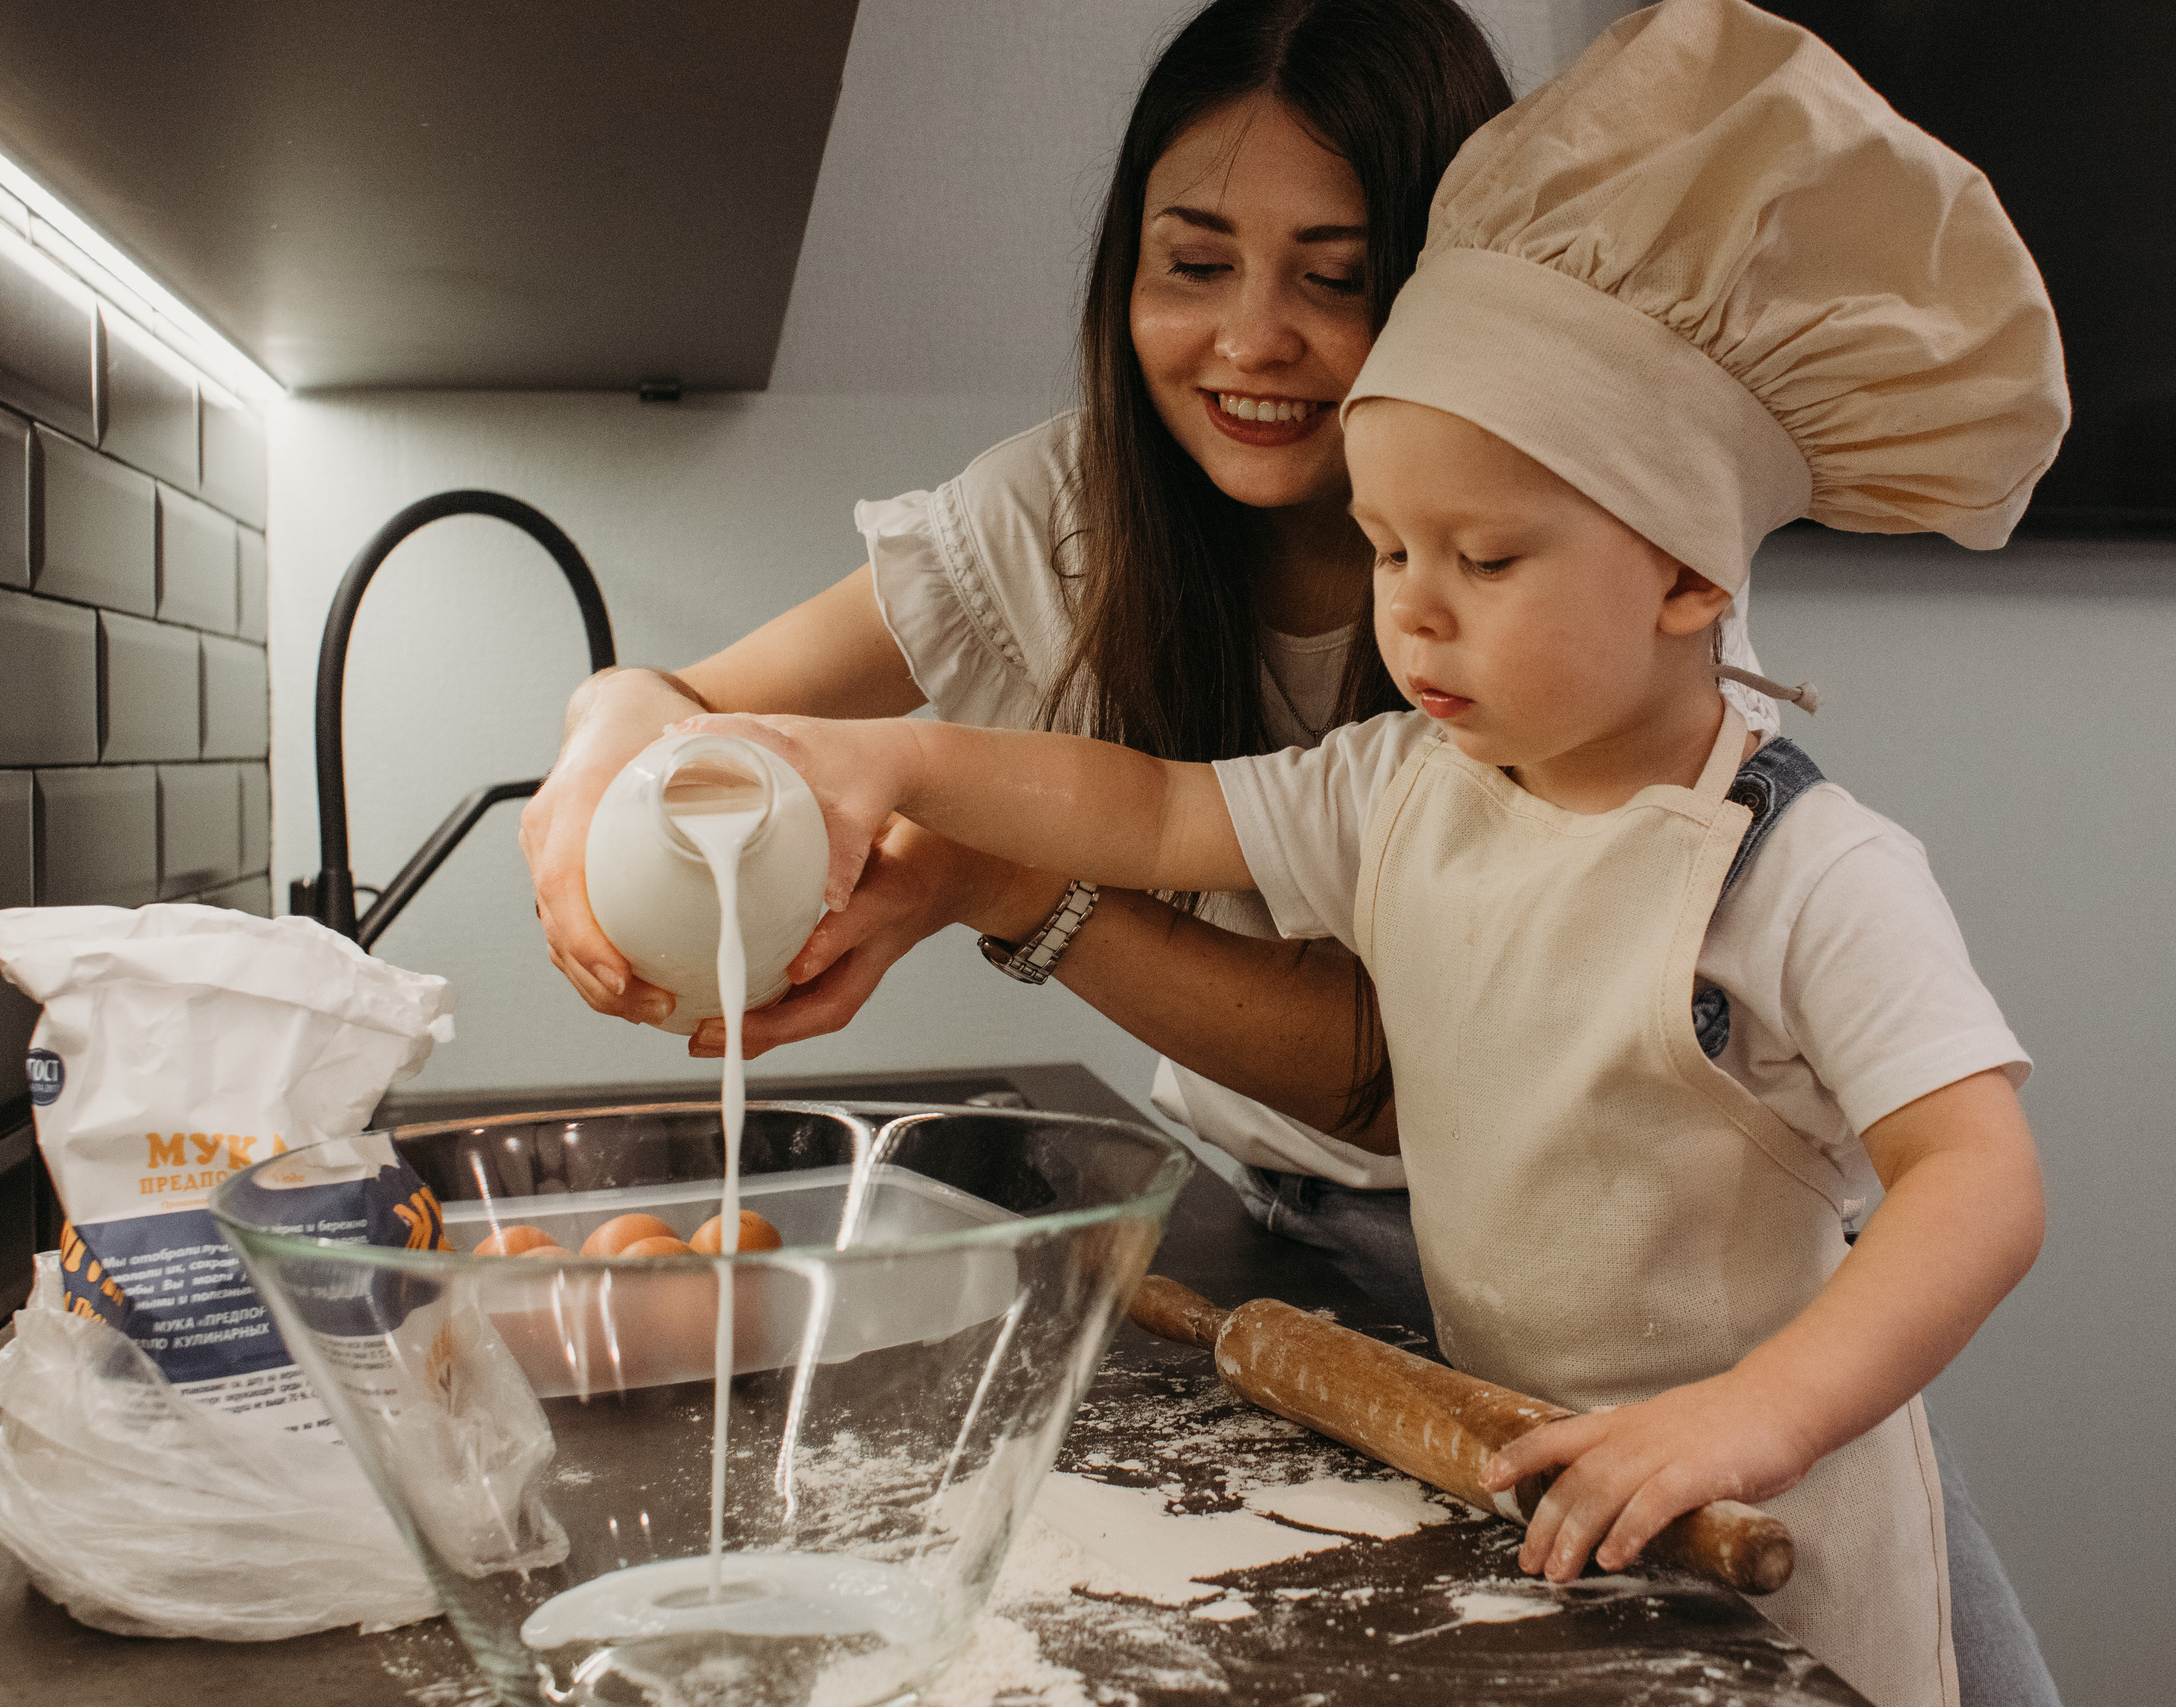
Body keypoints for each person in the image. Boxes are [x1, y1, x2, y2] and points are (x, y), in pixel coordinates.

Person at [521, 2, 2061, 1699]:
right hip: (1394, 1315)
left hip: (1740, 1423)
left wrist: (1753, 1416)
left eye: (1335, 277)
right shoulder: (1397, 744)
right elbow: (1155, 810)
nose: (1254, 339)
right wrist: (764, 757)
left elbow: (1955, 1177)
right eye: (1196, 263)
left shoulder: (1712, 754)